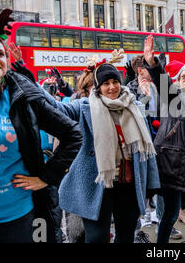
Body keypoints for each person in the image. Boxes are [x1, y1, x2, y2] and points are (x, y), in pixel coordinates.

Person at [0, 2, 82, 243]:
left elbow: (73, 134)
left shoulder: (25, 97)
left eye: (0, 53)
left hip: (17, 218)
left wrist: (47, 177)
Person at [41, 59, 161, 243]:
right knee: (97, 238)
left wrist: (151, 183)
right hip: (97, 184)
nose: (112, 87)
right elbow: (56, 108)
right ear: (98, 87)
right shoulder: (84, 108)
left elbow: (147, 151)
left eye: (115, 82)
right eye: (106, 83)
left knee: (126, 235)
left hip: (127, 183)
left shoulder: (135, 107)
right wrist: (28, 81)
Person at [143, 35, 185, 243]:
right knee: (171, 213)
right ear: (178, 83)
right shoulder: (174, 101)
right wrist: (152, 63)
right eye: (184, 77)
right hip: (173, 166)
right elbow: (162, 82)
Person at [126, 54, 182, 242]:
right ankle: (136, 232)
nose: (151, 73)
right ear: (140, 71)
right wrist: (143, 96)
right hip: (141, 152)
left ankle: (164, 223)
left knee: (163, 195)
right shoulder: (129, 90)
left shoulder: (159, 88)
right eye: (148, 70)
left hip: (162, 150)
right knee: (139, 195)